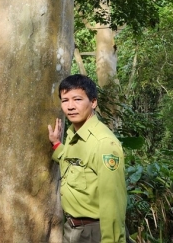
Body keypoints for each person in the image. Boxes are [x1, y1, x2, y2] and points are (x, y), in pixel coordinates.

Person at [48, 74, 126, 243]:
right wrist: (56, 144)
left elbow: (112, 203)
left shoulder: (104, 144)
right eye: (65, 100)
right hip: (71, 229)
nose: (70, 106)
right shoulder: (72, 134)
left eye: (77, 99)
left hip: (93, 232)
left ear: (93, 102)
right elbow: (74, 162)